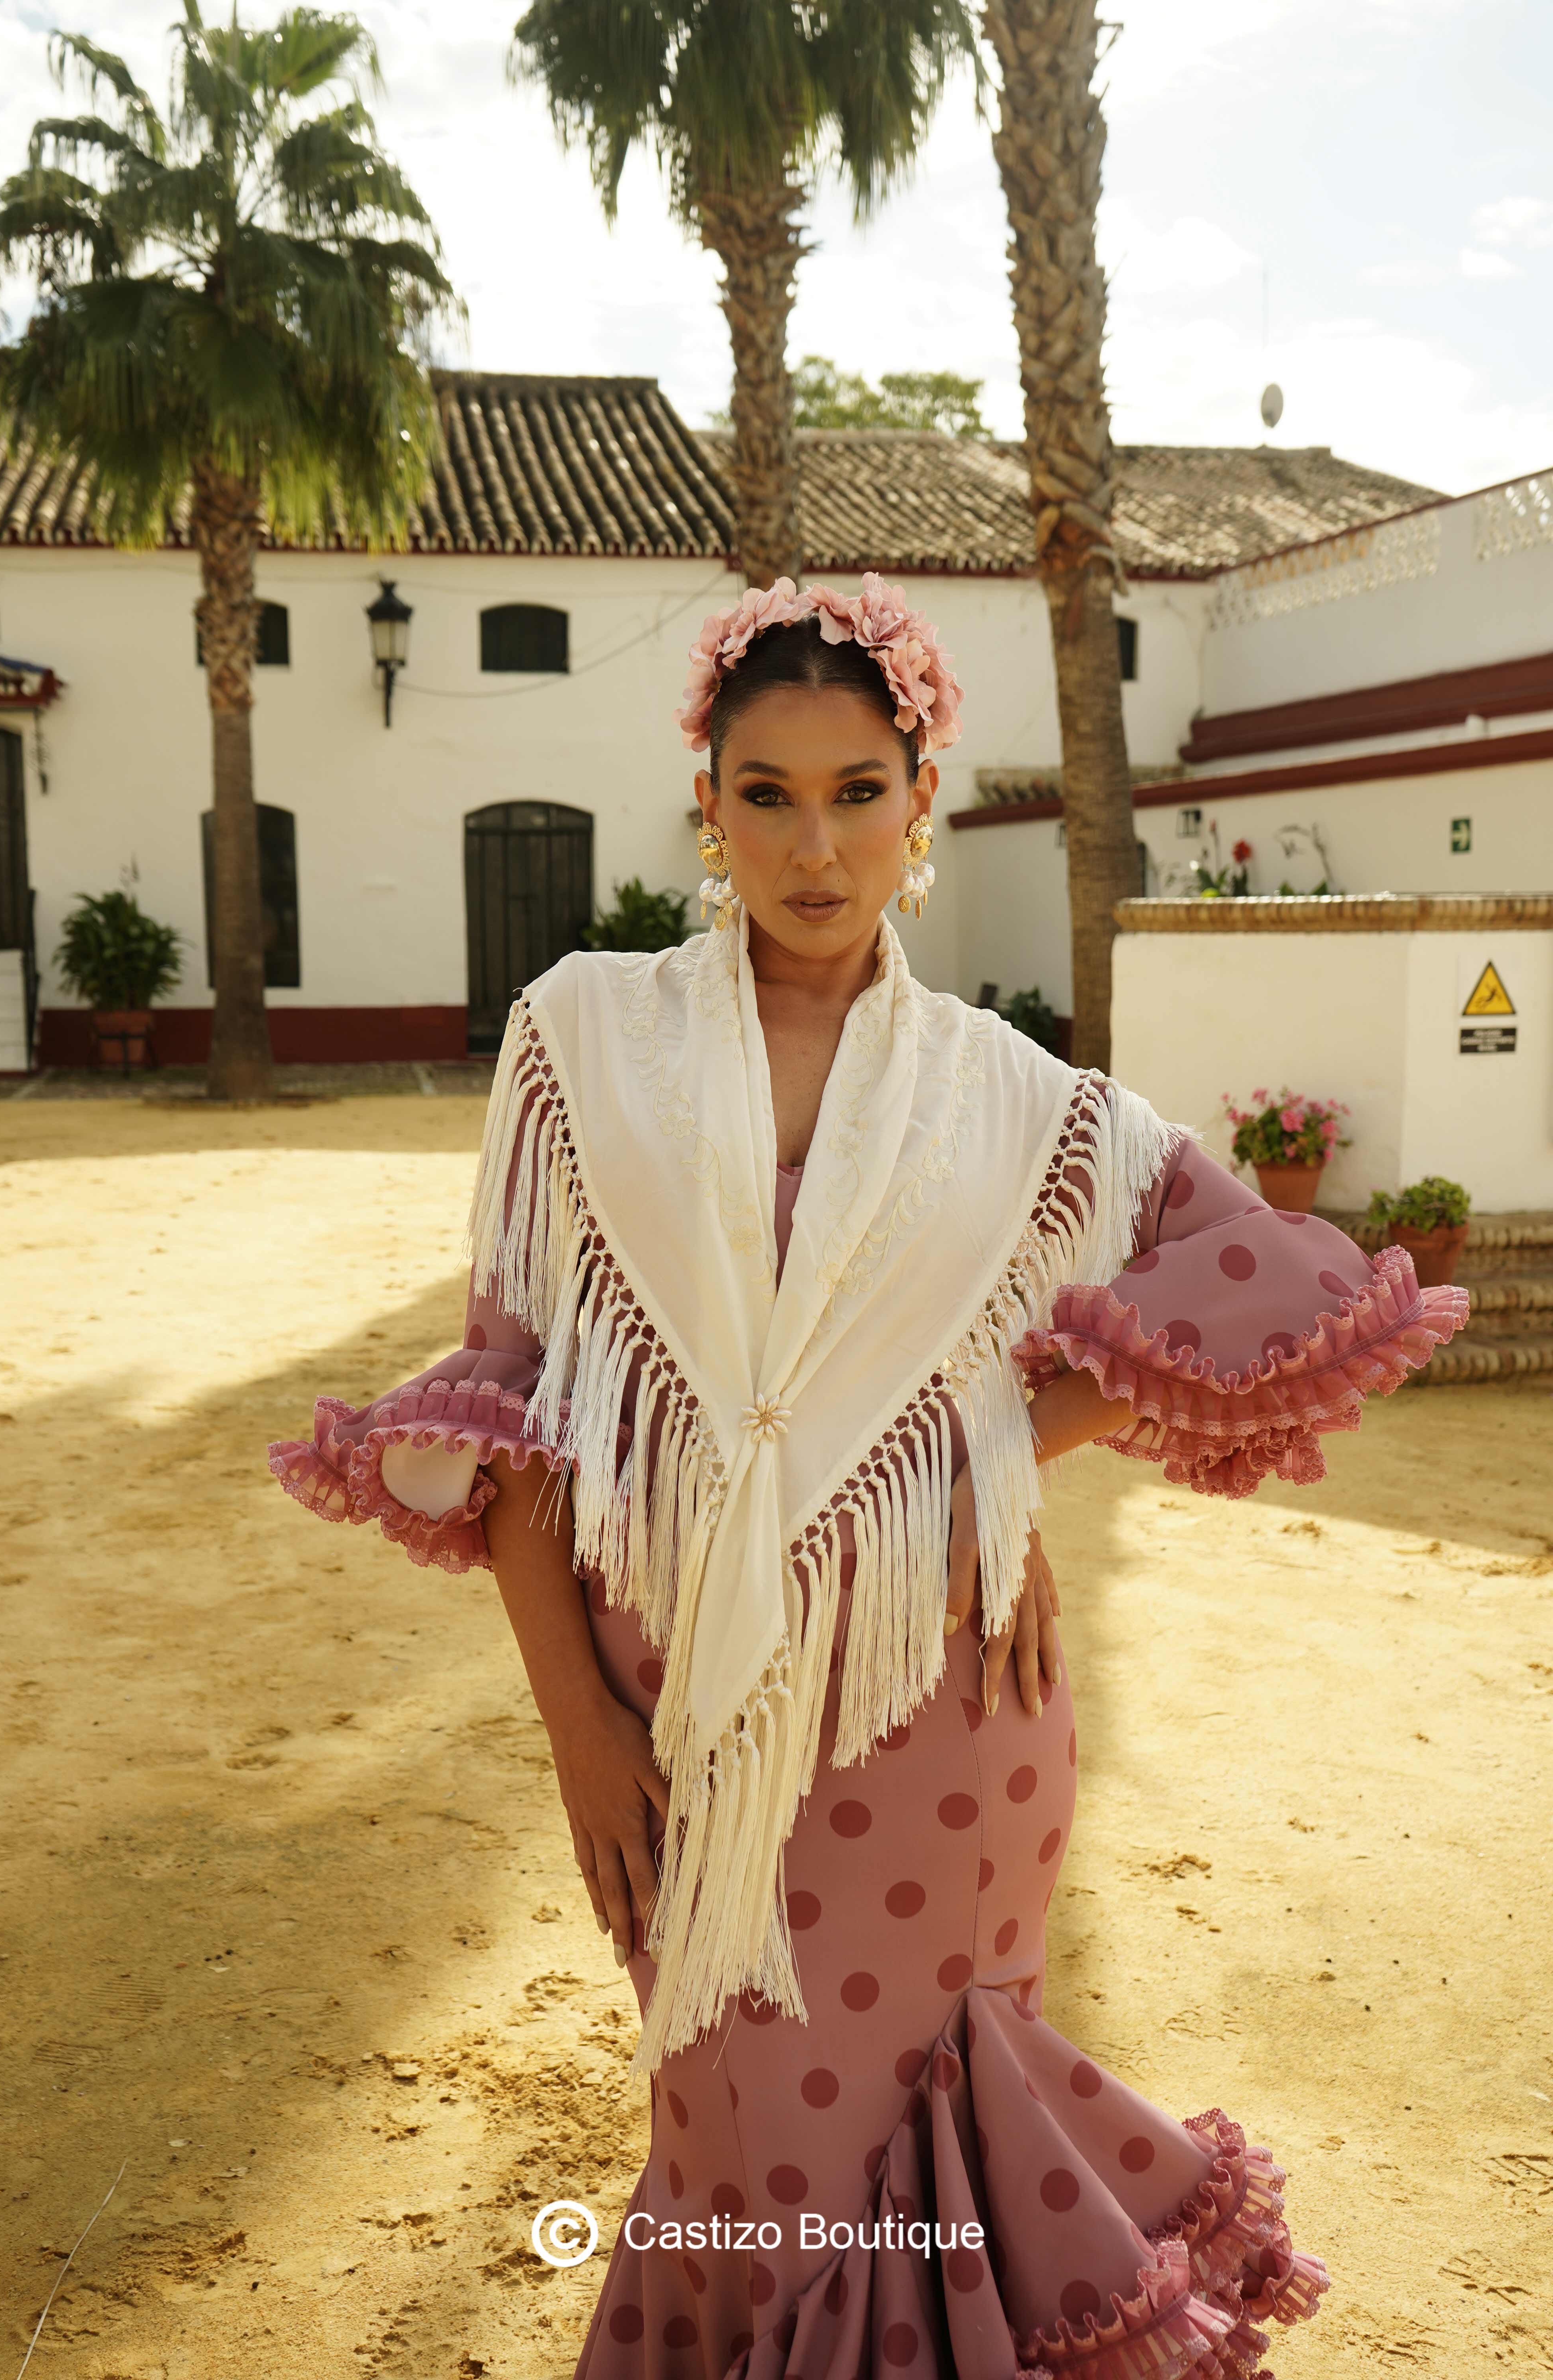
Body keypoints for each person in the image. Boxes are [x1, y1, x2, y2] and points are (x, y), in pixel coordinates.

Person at [270, 574, 1466, 2380]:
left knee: (910, 2146)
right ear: (708, 803)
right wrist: (580, 1729)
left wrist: (992, 1442)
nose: (811, 845)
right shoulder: (583, 1040)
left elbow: (1277, 1275)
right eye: (766, 793)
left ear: (921, 802)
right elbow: (515, 1403)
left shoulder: (1018, 1093)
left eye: (855, 791)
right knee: (742, 2158)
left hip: (941, 1717)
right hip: (674, 1715)